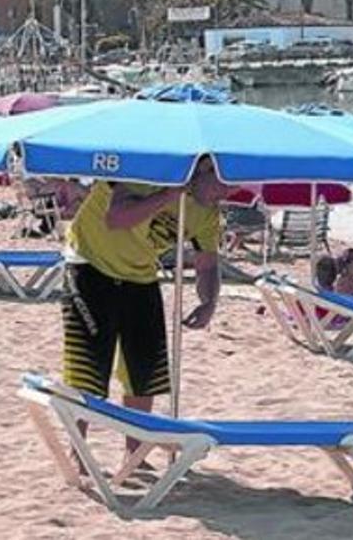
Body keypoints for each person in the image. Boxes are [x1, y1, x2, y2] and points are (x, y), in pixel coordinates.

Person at [62, 156, 231, 467]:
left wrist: (209, 301)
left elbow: (207, 262)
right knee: (89, 366)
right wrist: (168, 195)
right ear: (203, 169)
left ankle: (134, 453)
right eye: (223, 183)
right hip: (89, 262)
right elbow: (117, 218)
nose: (229, 192)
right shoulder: (150, 170)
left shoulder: (208, 213)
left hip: (140, 274)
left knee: (145, 370)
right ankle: (78, 452)